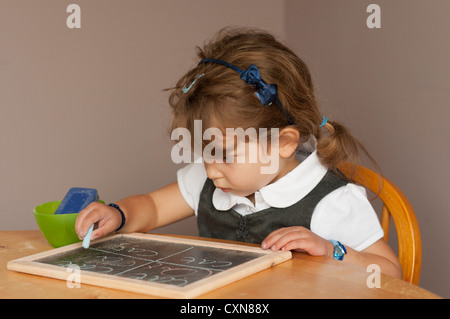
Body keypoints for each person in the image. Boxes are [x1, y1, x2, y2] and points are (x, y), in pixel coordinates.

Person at [75, 27, 402, 278]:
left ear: (284, 143)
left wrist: (333, 251)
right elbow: (153, 207)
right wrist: (118, 214)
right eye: (204, 150)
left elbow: (390, 273)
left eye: (224, 154)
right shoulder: (213, 177)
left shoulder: (333, 201)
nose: (211, 169)